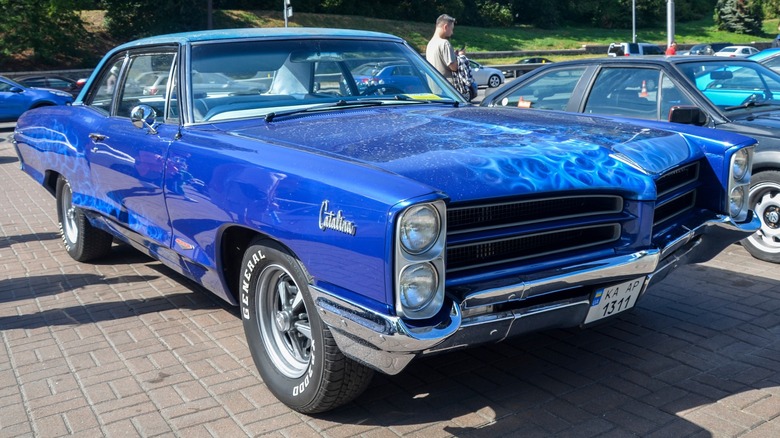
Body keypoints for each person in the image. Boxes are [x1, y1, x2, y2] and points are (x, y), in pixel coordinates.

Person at [426, 14, 458, 81]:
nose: (452, 33)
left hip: (433, 84)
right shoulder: (444, 43)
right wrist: (460, 56)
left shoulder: (430, 44)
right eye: (451, 29)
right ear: (445, 27)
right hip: (446, 86)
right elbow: (454, 67)